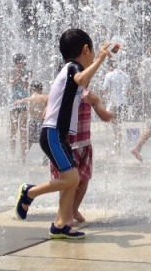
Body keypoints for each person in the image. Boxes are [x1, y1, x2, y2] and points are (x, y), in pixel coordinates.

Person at [14, 28, 111, 239]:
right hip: (53, 134)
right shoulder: (71, 68)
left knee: (72, 179)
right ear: (86, 49)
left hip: (60, 135)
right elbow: (82, 79)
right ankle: (29, 192)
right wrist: (102, 59)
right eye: (93, 51)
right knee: (72, 179)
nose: (94, 55)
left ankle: (60, 224)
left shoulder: (70, 70)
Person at [50, 89, 114, 225]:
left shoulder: (90, 96)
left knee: (83, 179)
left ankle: (73, 209)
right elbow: (46, 115)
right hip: (63, 146)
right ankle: (64, 215)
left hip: (83, 145)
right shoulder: (60, 94)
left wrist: (111, 115)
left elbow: (104, 116)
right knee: (67, 181)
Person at [13, 81, 49, 163]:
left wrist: (18, 102)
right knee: (44, 140)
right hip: (41, 122)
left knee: (29, 141)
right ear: (41, 90)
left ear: (32, 89)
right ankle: (46, 158)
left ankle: (22, 157)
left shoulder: (31, 98)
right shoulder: (44, 97)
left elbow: (22, 101)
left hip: (32, 122)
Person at [102, 60, 132, 154]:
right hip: (123, 104)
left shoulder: (109, 75)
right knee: (119, 126)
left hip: (114, 104)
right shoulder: (126, 76)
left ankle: (118, 150)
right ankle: (119, 148)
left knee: (115, 128)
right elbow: (129, 92)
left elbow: (104, 90)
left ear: (111, 66)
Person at [9, 53, 31, 161]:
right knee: (13, 129)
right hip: (13, 103)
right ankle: (12, 154)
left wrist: (22, 76)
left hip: (23, 103)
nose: (23, 64)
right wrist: (16, 75)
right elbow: (11, 84)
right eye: (21, 62)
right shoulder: (11, 72)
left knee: (23, 129)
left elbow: (26, 85)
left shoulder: (28, 71)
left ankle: (23, 155)